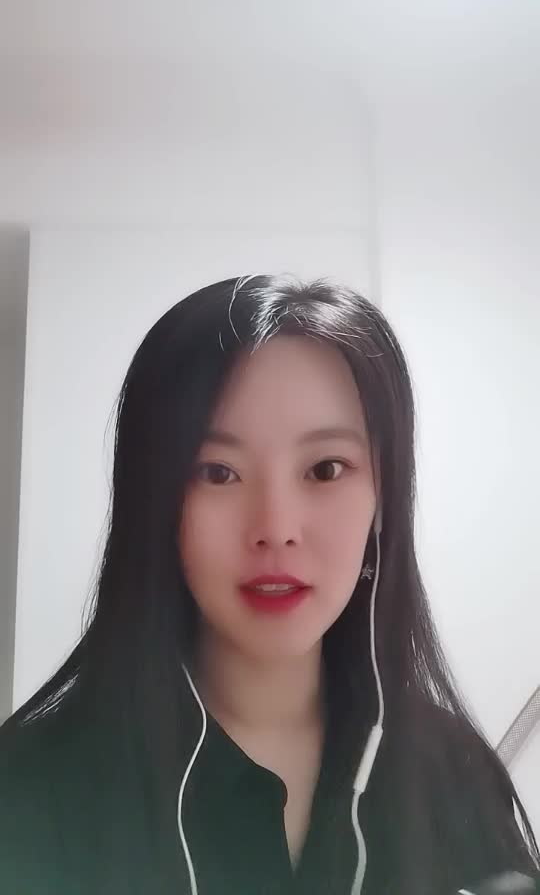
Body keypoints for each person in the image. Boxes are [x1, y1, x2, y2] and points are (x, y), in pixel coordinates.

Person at [0, 273, 538, 895]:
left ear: (383, 500)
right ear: (156, 501)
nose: (276, 530)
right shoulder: (33, 785)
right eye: (217, 472)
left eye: (325, 469)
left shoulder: (455, 774)